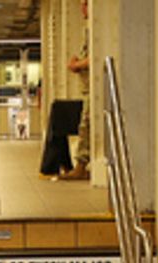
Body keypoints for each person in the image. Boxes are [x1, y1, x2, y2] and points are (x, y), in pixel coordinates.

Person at [59, 0, 91, 181]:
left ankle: (81, 165)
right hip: (86, 88)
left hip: (93, 89)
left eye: (85, 4)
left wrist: (76, 65)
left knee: (86, 125)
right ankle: (82, 164)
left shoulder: (96, 29)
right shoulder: (88, 29)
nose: (82, 8)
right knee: (85, 124)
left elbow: (95, 57)